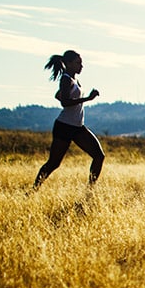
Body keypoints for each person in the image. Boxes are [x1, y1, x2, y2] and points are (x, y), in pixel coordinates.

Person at [33, 50, 105, 189]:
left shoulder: (73, 79)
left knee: (99, 156)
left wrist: (73, 98)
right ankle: (33, 191)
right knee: (54, 163)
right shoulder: (66, 79)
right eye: (78, 63)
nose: (81, 66)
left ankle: (90, 191)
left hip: (77, 127)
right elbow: (65, 102)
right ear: (69, 64)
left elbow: (58, 95)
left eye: (81, 63)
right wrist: (88, 99)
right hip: (65, 126)